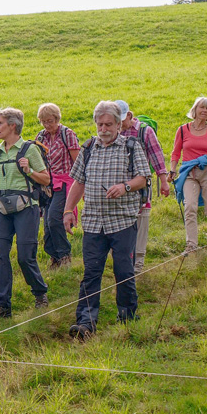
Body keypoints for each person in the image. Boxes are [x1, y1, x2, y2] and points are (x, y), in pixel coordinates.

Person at [63, 101, 149, 339]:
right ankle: (86, 323)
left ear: (119, 124)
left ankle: (128, 317)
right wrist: (68, 211)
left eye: (108, 124)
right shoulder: (89, 148)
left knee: (123, 270)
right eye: (100, 124)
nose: (103, 128)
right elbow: (78, 182)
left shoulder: (131, 146)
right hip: (93, 222)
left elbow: (143, 177)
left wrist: (125, 187)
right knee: (91, 272)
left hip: (122, 221)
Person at [0, 107, 50, 319]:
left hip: (26, 208)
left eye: (0, 123)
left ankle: (40, 294)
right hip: (0, 209)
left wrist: (29, 170)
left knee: (24, 257)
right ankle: (1, 306)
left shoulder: (29, 150)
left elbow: (46, 179)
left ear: (13, 125)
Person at [115, 100, 171, 273]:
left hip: (141, 187)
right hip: (119, 186)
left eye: (121, 120)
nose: (119, 125)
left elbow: (157, 156)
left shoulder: (145, 132)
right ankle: (124, 261)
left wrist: (163, 181)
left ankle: (138, 265)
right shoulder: (114, 132)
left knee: (141, 223)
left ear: (130, 116)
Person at [170, 97, 207, 252]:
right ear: (194, 110)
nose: (204, 111)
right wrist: (172, 170)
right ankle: (191, 245)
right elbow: (175, 153)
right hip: (189, 173)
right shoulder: (182, 130)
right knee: (190, 208)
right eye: (202, 107)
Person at [36, 103, 81, 269]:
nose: (48, 125)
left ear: (57, 119)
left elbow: (77, 161)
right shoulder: (41, 137)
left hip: (65, 182)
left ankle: (64, 255)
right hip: (47, 183)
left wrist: (81, 184)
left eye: (50, 121)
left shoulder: (67, 134)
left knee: (55, 219)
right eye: (44, 122)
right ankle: (54, 257)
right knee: (47, 223)